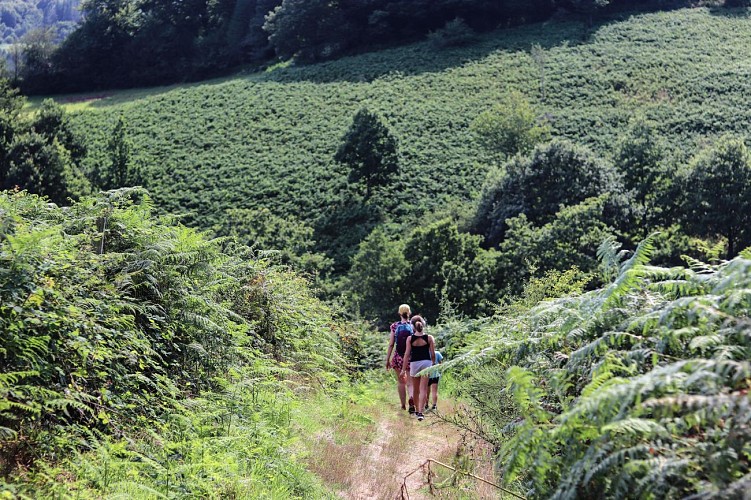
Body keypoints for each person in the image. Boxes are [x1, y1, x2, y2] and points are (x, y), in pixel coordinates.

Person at [401, 315, 435, 421]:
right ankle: (421, 412)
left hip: (414, 364)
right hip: (426, 363)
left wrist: (403, 370)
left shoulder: (410, 339)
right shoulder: (429, 338)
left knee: (415, 390)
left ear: (412, 326)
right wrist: (433, 364)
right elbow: (432, 354)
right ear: (423, 324)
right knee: (423, 388)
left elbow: (407, 355)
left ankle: (416, 411)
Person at [385, 304, 415, 412]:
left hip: (398, 357)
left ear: (399, 313)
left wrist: (387, 359)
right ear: (409, 313)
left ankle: (403, 405)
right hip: (411, 357)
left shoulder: (394, 326)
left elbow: (391, 344)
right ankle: (411, 399)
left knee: (401, 382)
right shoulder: (413, 325)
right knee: (411, 382)